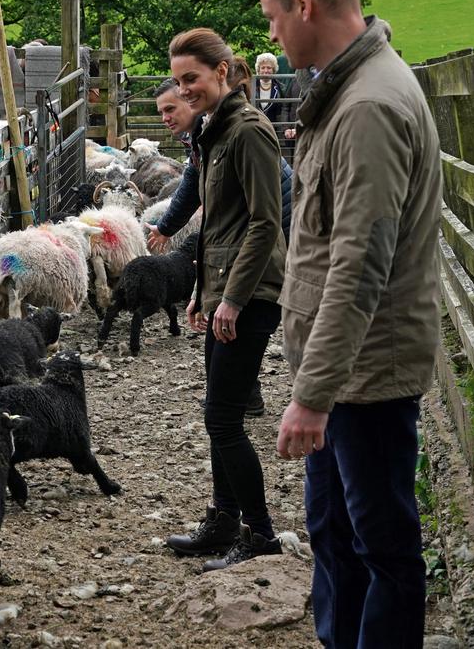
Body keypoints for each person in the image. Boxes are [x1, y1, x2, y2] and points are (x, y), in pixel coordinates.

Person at [261, 0, 441, 646]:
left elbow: (359, 260)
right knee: (335, 532)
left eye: (274, 16)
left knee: (379, 545)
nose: (271, 34)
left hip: (364, 375)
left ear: (304, 5)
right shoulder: (350, 92)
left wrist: (313, 393)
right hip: (344, 371)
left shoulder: (367, 107)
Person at [160, 28, 287, 572]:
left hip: (253, 294)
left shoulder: (250, 131)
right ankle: (223, 518)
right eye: (178, 81)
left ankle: (259, 532)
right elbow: (216, 224)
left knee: (223, 417)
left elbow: (265, 222)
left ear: (223, 71)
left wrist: (231, 299)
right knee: (220, 412)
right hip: (226, 291)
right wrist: (200, 294)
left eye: (192, 79)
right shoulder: (216, 130)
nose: (184, 91)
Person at [254, 53, 285, 126]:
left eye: (269, 68)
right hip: (255, 126)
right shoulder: (251, 86)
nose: (265, 71)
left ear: (273, 69)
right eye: (263, 68)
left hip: (273, 128)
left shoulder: (281, 88)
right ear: (258, 69)